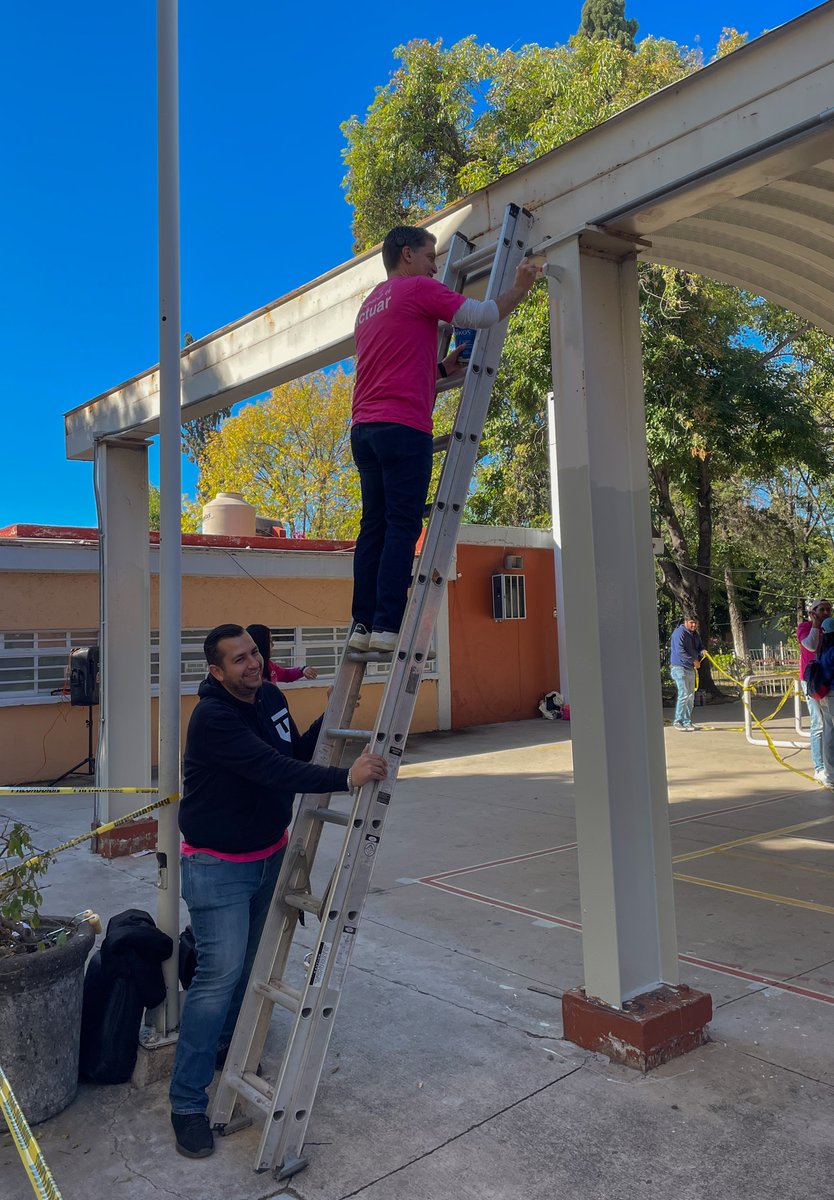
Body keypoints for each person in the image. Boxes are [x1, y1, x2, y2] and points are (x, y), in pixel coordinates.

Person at [168, 624, 387, 1159]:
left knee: (249, 968)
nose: (253, 663)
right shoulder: (213, 719)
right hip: (218, 866)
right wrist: (346, 778)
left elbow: (295, 748)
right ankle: (186, 1102)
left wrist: (335, 714)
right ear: (216, 672)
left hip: (270, 854)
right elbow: (273, 769)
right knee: (218, 979)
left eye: (255, 654)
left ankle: (227, 1049)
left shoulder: (269, 696)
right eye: (239, 659)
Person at [348, 224, 541, 654]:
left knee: (373, 528)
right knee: (402, 524)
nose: (437, 265)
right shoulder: (417, 289)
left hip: (365, 428)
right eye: (430, 254)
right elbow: (485, 315)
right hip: (402, 427)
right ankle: (385, 627)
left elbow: (391, 367)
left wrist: (439, 370)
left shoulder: (369, 306)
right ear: (406, 254)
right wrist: (521, 288)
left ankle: (361, 625)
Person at [797, 598, 832, 783]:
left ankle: (829, 765)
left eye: (829, 609)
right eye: (822, 609)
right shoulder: (805, 627)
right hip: (811, 681)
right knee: (818, 724)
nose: (826, 612)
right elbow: (810, 645)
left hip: (828, 681)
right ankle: (819, 767)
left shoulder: (830, 628)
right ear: (813, 612)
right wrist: (816, 625)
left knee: (829, 724)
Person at [246, 622, 318, 684]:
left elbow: (286, 675)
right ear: (261, 644)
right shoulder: (248, 671)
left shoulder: (269, 665)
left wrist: (303, 670)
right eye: (270, 641)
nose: (273, 645)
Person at [670, 614, 704, 731]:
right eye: (691, 623)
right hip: (679, 668)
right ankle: (678, 721)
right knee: (684, 694)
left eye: (695, 623)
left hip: (690, 669)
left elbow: (699, 646)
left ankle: (687, 721)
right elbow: (680, 651)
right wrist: (693, 660)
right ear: (686, 622)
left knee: (691, 696)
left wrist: (702, 651)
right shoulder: (680, 633)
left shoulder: (694, 634)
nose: (694, 625)